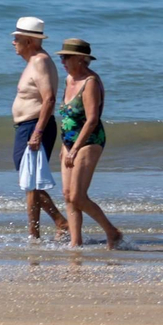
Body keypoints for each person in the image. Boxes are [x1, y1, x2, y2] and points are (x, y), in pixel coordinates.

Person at [56, 38, 123, 249]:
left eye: (66, 57)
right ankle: (76, 243)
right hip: (68, 142)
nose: (62, 61)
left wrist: (75, 149)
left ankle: (112, 232)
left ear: (80, 59)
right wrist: (65, 147)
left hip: (89, 141)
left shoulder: (90, 82)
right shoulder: (68, 79)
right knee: (67, 195)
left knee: (77, 196)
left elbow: (92, 119)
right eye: (61, 57)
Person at [10, 17, 69, 239]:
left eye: (17, 38)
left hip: (34, 126)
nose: (13, 42)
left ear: (30, 41)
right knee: (30, 182)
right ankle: (42, 229)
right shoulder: (33, 62)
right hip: (27, 126)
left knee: (31, 182)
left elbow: (49, 99)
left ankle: (54, 225)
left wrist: (37, 132)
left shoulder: (40, 62)